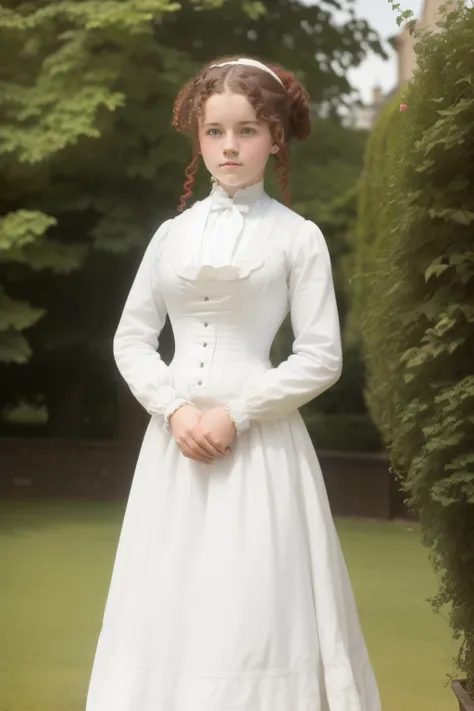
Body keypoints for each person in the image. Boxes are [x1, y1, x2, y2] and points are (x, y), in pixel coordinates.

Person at [85, 55, 382, 711]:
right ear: (197, 136)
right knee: (167, 600)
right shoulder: (170, 235)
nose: (229, 146)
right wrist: (173, 411)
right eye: (214, 130)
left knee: (252, 604)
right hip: (173, 453)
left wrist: (235, 413)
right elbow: (132, 336)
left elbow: (321, 354)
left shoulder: (297, 238)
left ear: (275, 136)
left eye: (247, 130)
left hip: (262, 454)